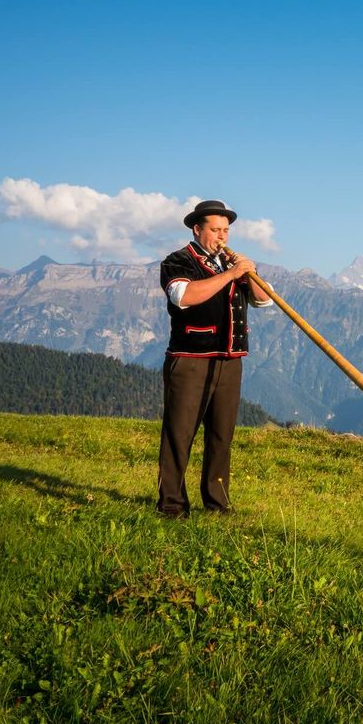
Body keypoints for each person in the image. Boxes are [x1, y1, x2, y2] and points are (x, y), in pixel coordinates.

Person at [156, 199, 272, 518]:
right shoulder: (177, 260)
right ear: (197, 229)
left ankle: (217, 504)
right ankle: (172, 505)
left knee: (222, 435)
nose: (222, 236)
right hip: (191, 358)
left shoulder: (231, 264)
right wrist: (232, 273)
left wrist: (250, 275)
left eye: (226, 230)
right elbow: (182, 296)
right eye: (216, 230)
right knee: (179, 433)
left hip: (229, 360)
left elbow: (264, 302)